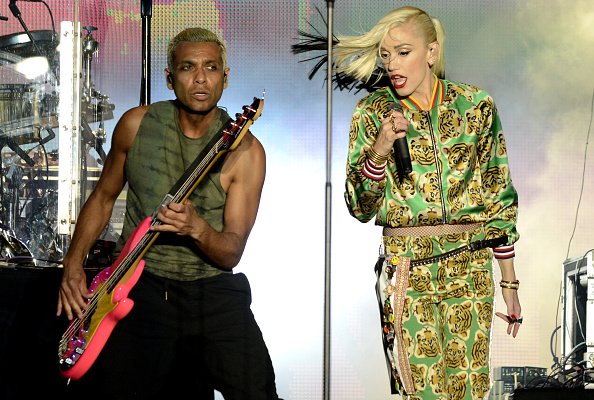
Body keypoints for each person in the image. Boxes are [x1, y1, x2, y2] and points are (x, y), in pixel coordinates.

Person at [57, 27, 281, 400]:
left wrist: (198, 229)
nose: (199, 79)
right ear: (169, 77)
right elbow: (102, 198)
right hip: (141, 285)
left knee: (257, 392)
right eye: (187, 67)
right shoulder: (136, 125)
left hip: (211, 291)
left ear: (225, 78)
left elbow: (231, 252)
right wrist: (73, 264)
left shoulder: (247, 152)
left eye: (211, 68)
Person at [333, 6, 521, 400]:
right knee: (421, 394)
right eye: (385, 55)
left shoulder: (475, 106)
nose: (392, 64)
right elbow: (359, 206)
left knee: (468, 392)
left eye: (403, 52)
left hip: (469, 267)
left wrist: (509, 283)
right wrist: (380, 151)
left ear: (432, 53)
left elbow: (497, 193)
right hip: (407, 268)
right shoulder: (372, 112)